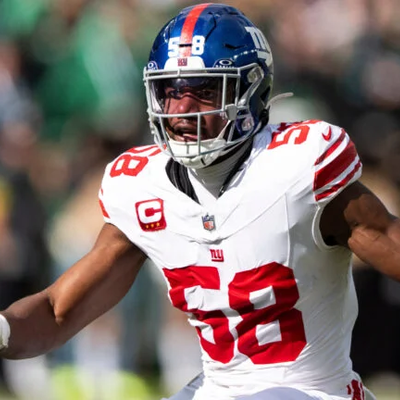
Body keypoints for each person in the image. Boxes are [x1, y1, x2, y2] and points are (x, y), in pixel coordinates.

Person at [0, 3, 399, 400]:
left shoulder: (297, 169)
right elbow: (58, 312)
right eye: (170, 92)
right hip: (218, 388)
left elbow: (388, 239)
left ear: (250, 91)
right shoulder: (144, 188)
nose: (181, 111)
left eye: (205, 92)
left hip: (314, 390)